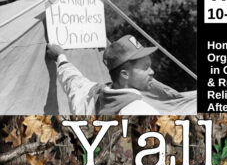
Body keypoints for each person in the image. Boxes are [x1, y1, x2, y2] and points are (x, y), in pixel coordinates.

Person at [46, 35, 196, 115]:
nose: (152, 72)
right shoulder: (139, 110)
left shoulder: (93, 95)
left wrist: (60, 57)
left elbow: (73, 81)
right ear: (124, 74)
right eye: (145, 68)